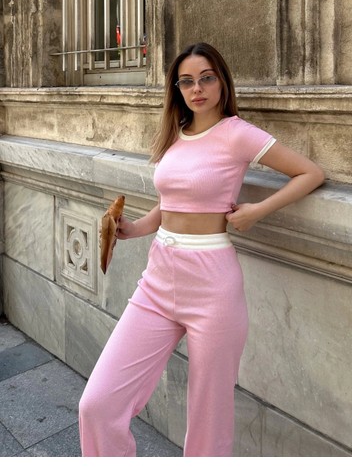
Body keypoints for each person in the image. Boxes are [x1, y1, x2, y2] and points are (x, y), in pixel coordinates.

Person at [78, 42, 325, 457]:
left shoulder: (238, 133)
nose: (197, 89)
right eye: (187, 81)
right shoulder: (174, 135)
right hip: (158, 280)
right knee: (97, 405)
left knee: (209, 423)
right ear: (176, 89)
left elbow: (310, 173)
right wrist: (132, 229)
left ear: (221, 82)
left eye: (207, 78)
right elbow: (170, 203)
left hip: (213, 285)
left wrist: (257, 211)